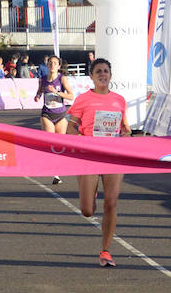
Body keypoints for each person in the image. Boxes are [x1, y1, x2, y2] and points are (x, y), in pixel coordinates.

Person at [68, 58, 130, 267]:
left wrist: (126, 134)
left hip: (113, 156)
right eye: (99, 72)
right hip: (89, 156)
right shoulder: (83, 99)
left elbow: (125, 128)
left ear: (110, 75)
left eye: (106, 71)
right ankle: (91, 192)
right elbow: (71, 128)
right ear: (92, 77)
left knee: (111, 202)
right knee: (87, 210)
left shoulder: (119, 100)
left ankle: (105, 251)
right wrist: (79, 145)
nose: (103, 74)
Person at [36, 54, 75, 184]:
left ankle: (57, 171)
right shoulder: (42, 79)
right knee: (50, 142)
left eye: (55, 63)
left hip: (61, 115)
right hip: (47, 113)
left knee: (59, 145)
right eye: (50, 63)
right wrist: (37, 96)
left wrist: (57, 92)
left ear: (58, 66)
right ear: (47, 65)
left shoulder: (62, 79)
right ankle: (54, 173)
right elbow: (39, 92)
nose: (52, 65)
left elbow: (71, 96)